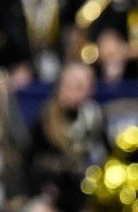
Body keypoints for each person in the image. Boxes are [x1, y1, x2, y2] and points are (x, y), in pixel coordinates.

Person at [28, 62, 108, 212]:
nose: (83, 92)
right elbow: (31, 161)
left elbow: (104, 157)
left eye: (85, 86)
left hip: (87, 195)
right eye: (73, 85)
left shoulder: (94, 116)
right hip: (52, 196)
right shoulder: (46, 118)